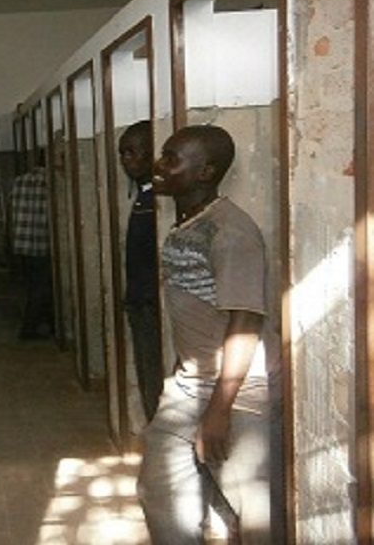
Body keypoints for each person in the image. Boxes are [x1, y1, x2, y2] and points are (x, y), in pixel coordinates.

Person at [137, 125, 277, 544]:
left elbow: (246, 320)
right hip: (189, 387)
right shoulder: (186, 224)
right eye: (162, 156)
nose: (158, 166)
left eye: (171, 158)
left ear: (206, 172)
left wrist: (219, 408)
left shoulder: (230, 232)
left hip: (238, 393)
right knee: (158, 491)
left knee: (256, 516)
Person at [118, 120, 164, 422]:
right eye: (125, 153)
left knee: (156, 376)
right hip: (139, 302)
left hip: (151, 305)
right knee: (147, 373)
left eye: (139, 153)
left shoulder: (156, 201)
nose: (130, 160)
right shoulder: (141, 197)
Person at [10, 149, 53, 339]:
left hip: (23, 244)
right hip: (44, 242)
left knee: (34, 285)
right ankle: (29, 329)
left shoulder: (19, 181)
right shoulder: (52, 183)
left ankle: (43, 323)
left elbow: (10, 212)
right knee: (41, 287)